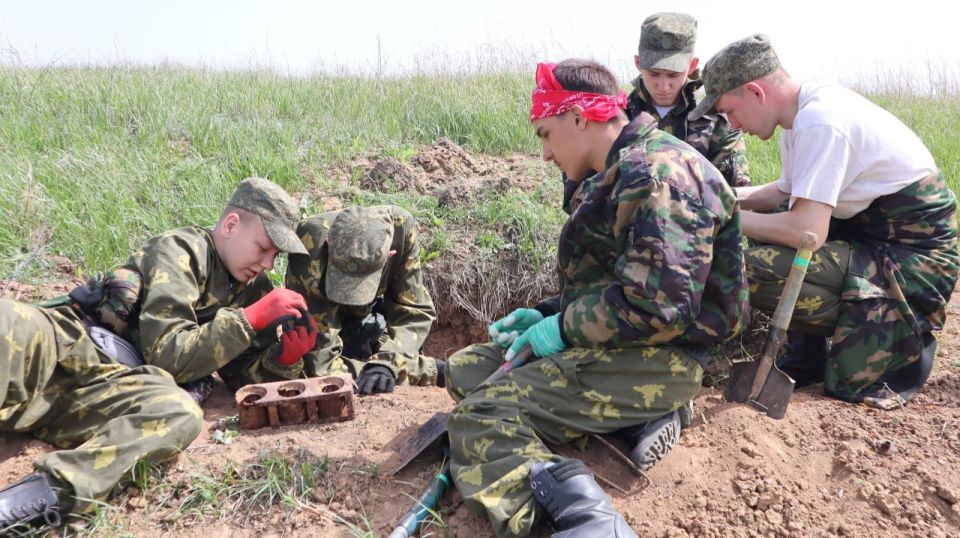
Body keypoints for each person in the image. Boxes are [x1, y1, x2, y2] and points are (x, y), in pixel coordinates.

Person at [445, 59, 749, 537]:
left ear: (579, 119)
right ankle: (639, 417)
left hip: (662, 355)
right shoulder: (619, 168)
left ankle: (580, 523)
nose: (544, 153)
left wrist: (563, 329)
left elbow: (658, 310)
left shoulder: (655, 176)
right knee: (468, 369)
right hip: (626, 343)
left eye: (545, 134)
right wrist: (547, 313)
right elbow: (617, 279)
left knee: (480, 414)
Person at [688, 34, 959, 408]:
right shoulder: (801, 116)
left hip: (911, 267)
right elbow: (781, 192)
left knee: (743, 271)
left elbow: (806, 233)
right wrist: (705, 198)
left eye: (729, 111)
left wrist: (720, 218)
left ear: (755, 91)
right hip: (877, 241)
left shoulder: (820, 122)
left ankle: (897, 336)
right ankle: (806, 357)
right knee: (770, 220)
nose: (731, 125)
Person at [62, 177, 316, 400]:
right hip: (75, 347)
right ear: (230, 225)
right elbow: (165, 357)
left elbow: (241, 379)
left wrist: (284, 359)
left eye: (276, 255)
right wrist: (249, 319)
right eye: (262, 248)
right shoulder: (180, 253)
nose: (268, 264)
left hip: (130, 372)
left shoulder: (253, 286)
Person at [0, 297, 202, 531]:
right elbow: (169, 352)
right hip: (65, 344)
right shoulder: (186, 261)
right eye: (256, 255)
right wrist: (249, 319)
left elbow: (247, 373)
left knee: (180, 410)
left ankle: (29, 501)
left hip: (109, 385)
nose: (257, 264)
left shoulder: (249, 289)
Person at [284, 205, 441, 395]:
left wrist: (387, 361)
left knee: (375, 331)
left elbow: (413, 311)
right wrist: (426, 370)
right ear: (328, 243)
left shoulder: (401, 232)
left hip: (370, 314)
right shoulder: (309, 245)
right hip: (326, 316)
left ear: (389, 257)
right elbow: (320, 364)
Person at [625, 12, 751, 188]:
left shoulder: (717, 122)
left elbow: (737, 193)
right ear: (638, 63)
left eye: (673, 75)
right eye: (654, 74)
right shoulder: (617, 116)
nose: (663, 86)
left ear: (692, 65)